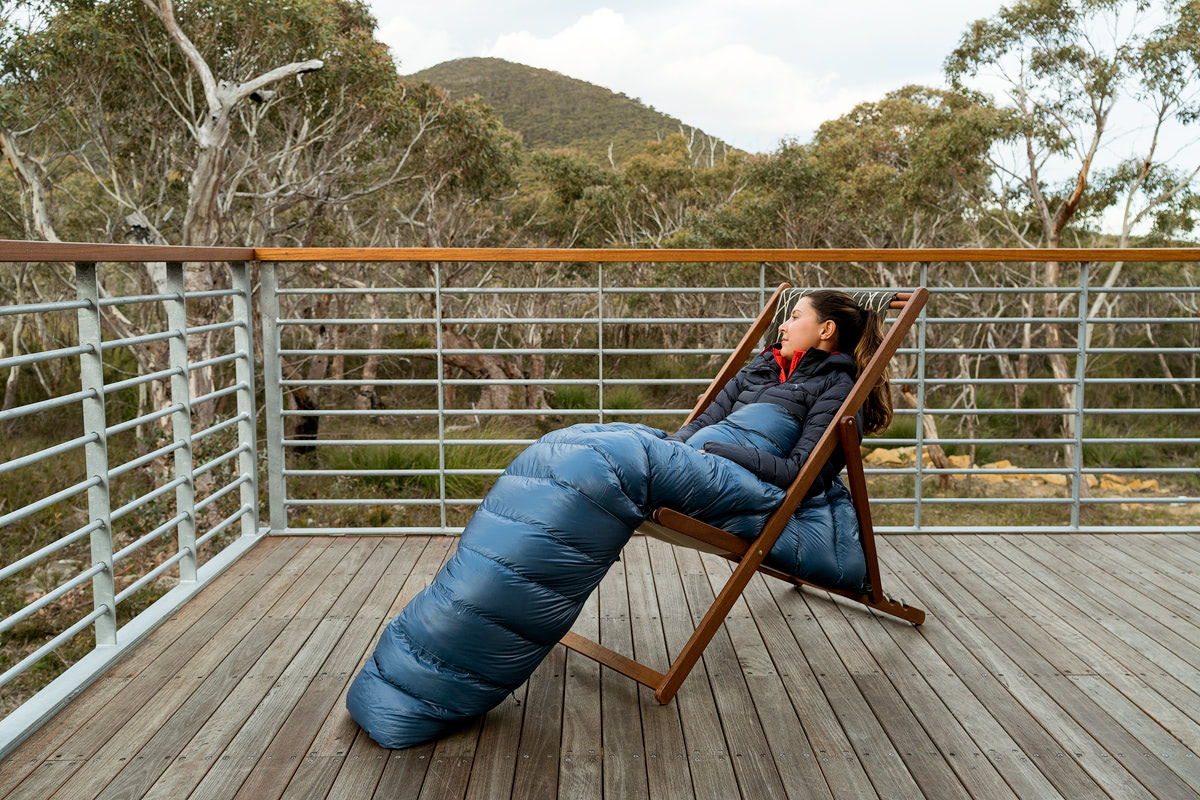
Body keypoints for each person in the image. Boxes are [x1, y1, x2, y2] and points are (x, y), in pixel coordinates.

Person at [666, 289, 893, 499]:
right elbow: (705, 421)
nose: (783, 326)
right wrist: (668, 449)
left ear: (826, 330)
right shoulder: (762, 367)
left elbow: (799, 472)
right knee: (634, 441)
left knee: (632, 458)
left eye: (794, 317)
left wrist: (712, 449)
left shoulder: (836, 388)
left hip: (725, 480)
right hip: (692, 461)